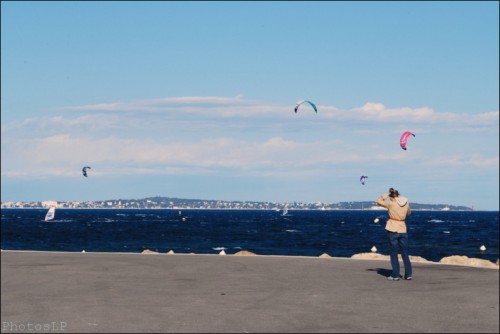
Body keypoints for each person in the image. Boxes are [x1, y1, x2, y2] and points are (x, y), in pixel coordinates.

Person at [376, 188, 412, 281]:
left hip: (393, 228)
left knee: (394, 253)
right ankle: (408, 274)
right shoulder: (406, 203)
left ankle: (395, 275)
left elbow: (378, 201)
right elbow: (408, 213)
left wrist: (387, 193)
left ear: (391, 197)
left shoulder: (391, 203)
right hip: (403, 228)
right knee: (405, 252)